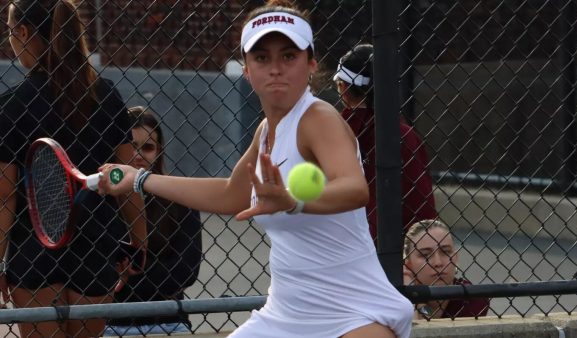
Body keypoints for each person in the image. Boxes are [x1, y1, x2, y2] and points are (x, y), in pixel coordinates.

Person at [98, 1, 413, 337]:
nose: (275, 68)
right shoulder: (266, 131)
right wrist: (140, 179)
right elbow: (231, 194)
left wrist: (293, 200)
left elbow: (353, 188)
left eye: (288, 56)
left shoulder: (318, 118)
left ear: (311, 64)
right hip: (285, 313)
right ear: (247, 70)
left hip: (354, 311)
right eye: (262, 57)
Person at [0, 1, 146, 337]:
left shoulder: (12, 106)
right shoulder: (107, 96)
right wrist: (139, 243)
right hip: (95, 246)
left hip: (33, 250)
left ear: (22, 33)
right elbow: (126, 179)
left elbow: (5, 197)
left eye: (10, 32)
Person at [104, 107, 202, 336]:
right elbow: (94, 269)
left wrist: (126, 277)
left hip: (169, 322)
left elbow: (186, 271)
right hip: (112, 325)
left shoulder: (179, 197)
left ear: (159, 151)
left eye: (147, 147)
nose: (138, 155)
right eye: (131, 146)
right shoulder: (102, 201)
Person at [334, 43, 438, 240]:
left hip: (344, 248)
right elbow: (422, 205)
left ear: (344, 88)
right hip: (399, 248)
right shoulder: (404, 135)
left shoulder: (329, 134)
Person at [403, 219, 490, 319]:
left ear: (456, 257)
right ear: (408, 264)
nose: (438, 263)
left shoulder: (472, 298)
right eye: (425, 255)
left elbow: (431, 326)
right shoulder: (394, 297)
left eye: (445, 252)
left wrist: (418, 303)